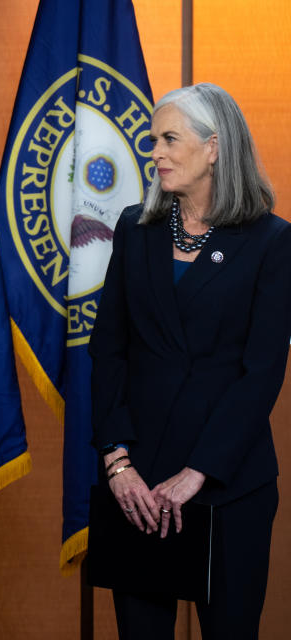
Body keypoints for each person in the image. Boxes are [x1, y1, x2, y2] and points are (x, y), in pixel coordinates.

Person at [89, 83, 291, 638]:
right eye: (153, 139)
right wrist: (117, 462)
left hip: (230, 486)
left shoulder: (272, 242)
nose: (155, 152)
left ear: (214, 147)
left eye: (169, 139)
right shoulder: (136, 228)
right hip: (139, 485)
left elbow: (262, 372)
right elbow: (108, 351)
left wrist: (199, 471)